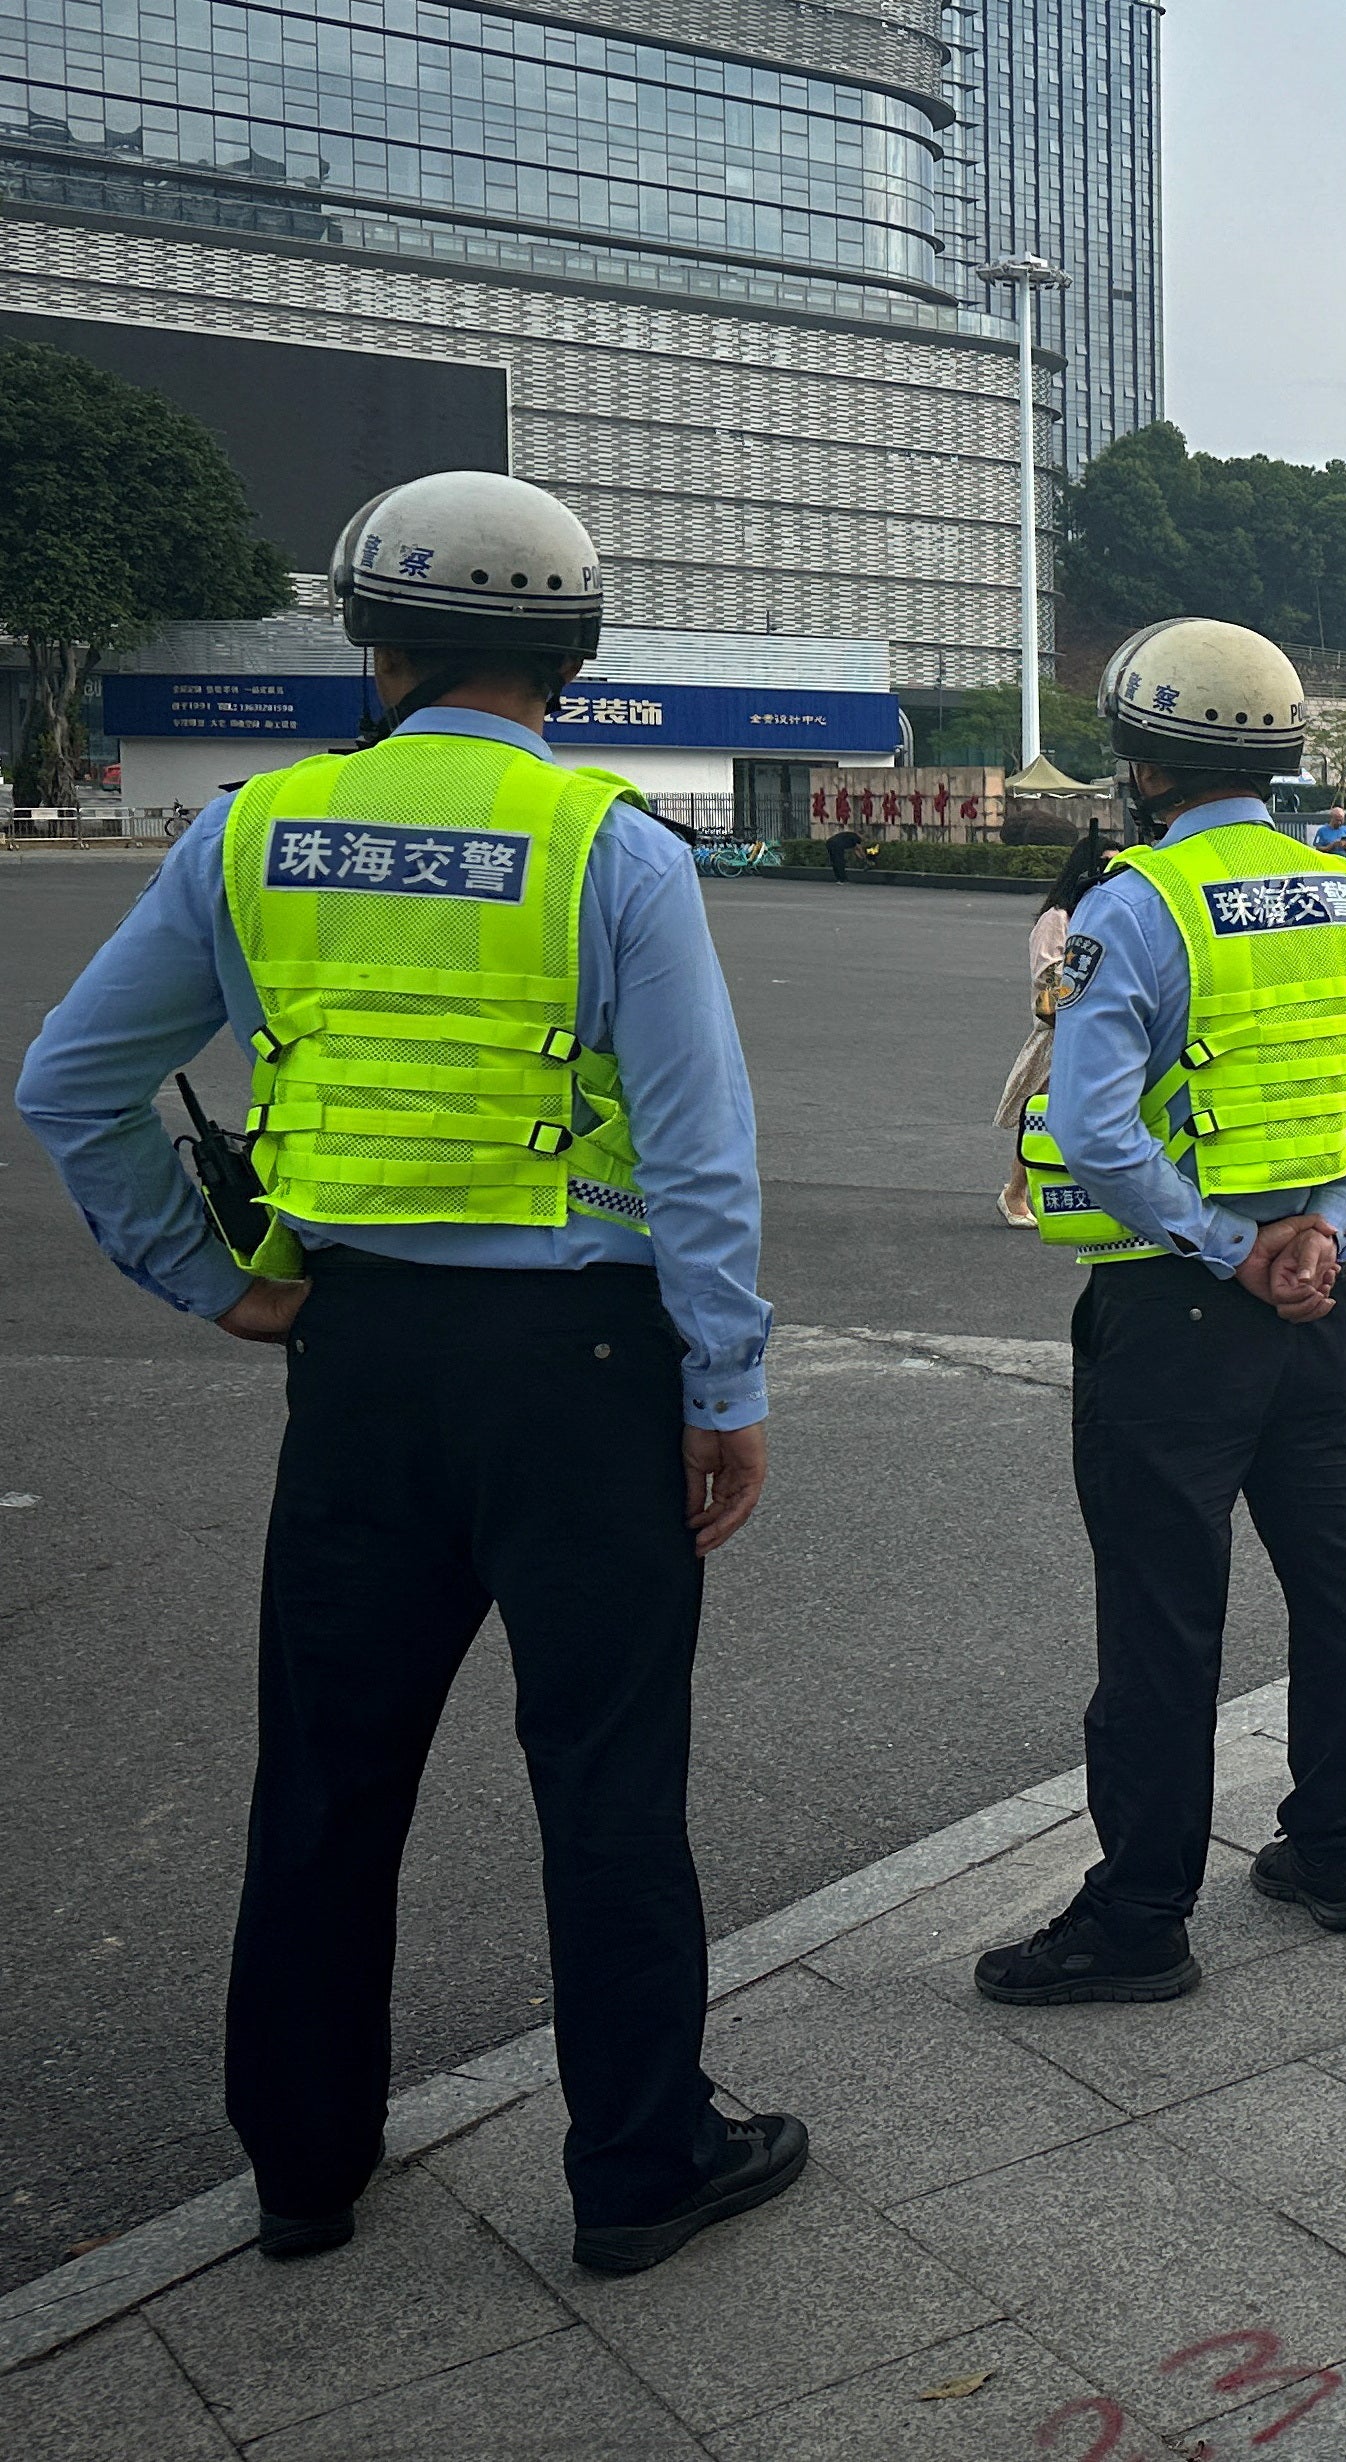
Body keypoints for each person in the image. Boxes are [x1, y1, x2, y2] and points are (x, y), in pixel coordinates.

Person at [13, 471, 801, 2278]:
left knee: (328, 1771)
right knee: (605, 1776)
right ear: (573, 658)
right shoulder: (618, 851)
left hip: (357, 1358)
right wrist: (724, 1388)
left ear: (370, 641)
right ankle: (636, 2165)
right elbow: (697, 1161)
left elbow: (70, 1082)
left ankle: (302, 2167)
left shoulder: (249, 833)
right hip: (585, 1373)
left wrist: (213, 1278)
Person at [974, 616, 1346, 2003]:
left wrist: (1229, 1246)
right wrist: (1323, 1237)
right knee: (1335, 1586)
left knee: (1165, 1618)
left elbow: (1093, 1129)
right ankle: (1337, 1846)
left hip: (1176, 1312)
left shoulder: (1136, 905)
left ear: (1140, 763)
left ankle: (1139, 1915)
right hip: (1320, 1306)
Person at [999, 824, 1116, 1226]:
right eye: (1103, 866)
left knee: (1083, 1114)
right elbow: (1047, 975)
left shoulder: (1104, 913)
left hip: (1098, 1025)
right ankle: (1016, 1193)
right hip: (1062, 1030)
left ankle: (1052, 1194)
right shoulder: (1058, 917)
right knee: (1043, 1113)